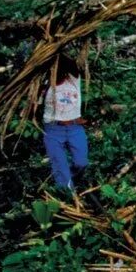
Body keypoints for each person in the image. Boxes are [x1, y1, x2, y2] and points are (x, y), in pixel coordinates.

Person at [42, 53, 88, 195]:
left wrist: (55, 48)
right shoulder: (44, 86)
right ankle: (68, 195)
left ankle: (70, 179)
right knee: (60, 168)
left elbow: (72, 63)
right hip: (53, 129)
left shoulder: (73, 79)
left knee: (81, 163)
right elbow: (34, 107)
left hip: (75, 127)